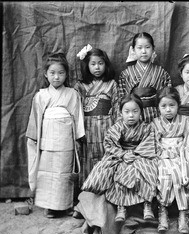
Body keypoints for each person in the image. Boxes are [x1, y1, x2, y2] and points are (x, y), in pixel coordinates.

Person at [81, 93, 158, 222]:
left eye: (135, 111)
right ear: (121, 112)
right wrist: (123, 154)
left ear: (141, 112)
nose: (131, 115)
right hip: (120, 155)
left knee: (148, 169)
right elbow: (110, 145)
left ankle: (147, 205)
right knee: (120, 171)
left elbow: (149, 145)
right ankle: (121, 207)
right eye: (127, 112)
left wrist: (134, 155)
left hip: (140, 155)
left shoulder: (147, 128)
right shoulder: (117, 127)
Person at [26, 52, 85, 218]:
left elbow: (77, 117)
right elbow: (35, 119)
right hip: (47, 140)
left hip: (66, 140)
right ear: (46, 74)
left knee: (63, 173)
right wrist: (33, 138)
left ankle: (65, 205)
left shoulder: (73, 94)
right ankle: (50, 206)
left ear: (66, 74)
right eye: (52, 73)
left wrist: (78, 138)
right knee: (47, 172)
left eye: (61, 73)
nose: (56, 77)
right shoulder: (40, 96)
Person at [151, 86, 189, 234]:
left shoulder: (185, 122)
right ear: (158, 107)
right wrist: (163, 153)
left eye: (172, 105)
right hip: (162, 157)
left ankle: (183, 213)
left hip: (182, 155)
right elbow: (151, 144)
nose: (168, 110)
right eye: (163, 106)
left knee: (181, 174)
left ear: (178, 105)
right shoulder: (155, 123)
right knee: (163, 175)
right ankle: (162, 211)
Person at [74, 44, 119, 187]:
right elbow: (76, 111)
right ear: (87, 66)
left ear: (106, 65)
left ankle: (107, 192)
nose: (97, 67)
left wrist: (117, 130)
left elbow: (117, 107)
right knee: (87, 158)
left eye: (100, 63)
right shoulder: (80, 86)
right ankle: (86, 194)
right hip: (87, 128)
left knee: (106, 156)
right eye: (93, 64)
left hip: (107, 126)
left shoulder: (111, 84)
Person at [118, 32, 172, 123]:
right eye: (139, 48)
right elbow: (121, 99)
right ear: (133, 50)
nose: (143, 51)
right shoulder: (126, 74)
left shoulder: (161, 73)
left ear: (153, 49)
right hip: (134, 117)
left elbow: (167, 97)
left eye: (147, 47)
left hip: (157, 118)